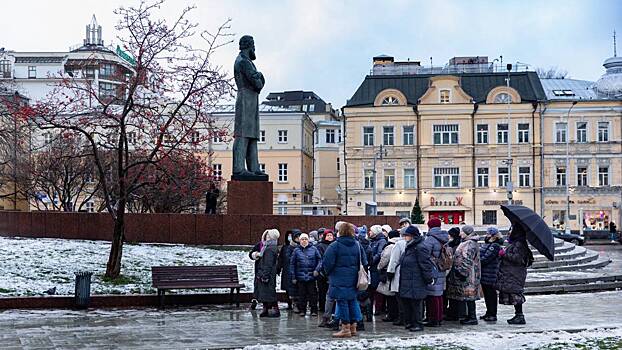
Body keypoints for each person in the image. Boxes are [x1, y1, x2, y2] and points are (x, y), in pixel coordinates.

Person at [323, 222, 368, 338]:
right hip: (354, 279)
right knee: (352, 301)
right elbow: (364, 261)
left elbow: (327, 264)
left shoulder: (334, 246)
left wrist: (328, 274)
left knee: (342, 302)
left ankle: (345, 328)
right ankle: (353, 327)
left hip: (338, 279)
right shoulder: (357, 245)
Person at [398, 225, 434, 332]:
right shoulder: (410, 246)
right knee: (408, 303)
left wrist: (428, 278)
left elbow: (425, 264)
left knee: (416, 304)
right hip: (408, 279)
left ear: (413, 236)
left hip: (416, 280)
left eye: (407, 235)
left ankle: (418, 324)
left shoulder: (420, 247)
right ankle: (410, 322)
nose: (405, 237)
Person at [496, 226, 534, 325]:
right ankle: (518, 315)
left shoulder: (519, 244)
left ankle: (520, 316)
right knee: (514, 293)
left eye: (511, 231)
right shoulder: (514, 243)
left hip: (515, 273)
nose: (509, 232)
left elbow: (518, 259)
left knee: (516, 294)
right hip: (511, 272)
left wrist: (504, 254)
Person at [445, 225, 481, 325]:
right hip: (468, 274)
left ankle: (472, 317)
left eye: (462, 232)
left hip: (468, 275)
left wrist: (462, 272)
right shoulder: (467, 242)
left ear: (467, 233)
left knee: (469, 296)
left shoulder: (469, 244)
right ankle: (470, 316)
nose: (460, 233)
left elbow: (467, 260)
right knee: (468, 296)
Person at [420, 217, 449, 327]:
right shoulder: (444, 237)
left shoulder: (430, 239)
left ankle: (433, 319)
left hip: (433, 269)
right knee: (439, 295)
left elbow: (424, 254)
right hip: (441, 268)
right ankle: (439, 317)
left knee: (432, 296)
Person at [290, 233, 322, 316]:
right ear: (299, 241)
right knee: (302, 295)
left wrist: (317, 270)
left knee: (313, 294)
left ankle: (314, 310)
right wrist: (293, 276)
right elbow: (292, 264)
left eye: (305, 239)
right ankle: (302, 310)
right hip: (300, 277)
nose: (304, 241)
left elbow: (320, 260)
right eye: (302, 239)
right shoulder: (296, 250)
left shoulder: (314, 249)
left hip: (312, 276)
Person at [252, 229, 280, 317]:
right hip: (267, 273)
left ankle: (274, 310)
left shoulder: (269, 249)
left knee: (269, 293)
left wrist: (265, 275)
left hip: (267, 274)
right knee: (266, 292)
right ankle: (266, 310)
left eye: (268, 236)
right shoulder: (270, 247)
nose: (266, 237)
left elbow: (268, 263)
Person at [479, 227, 504, 322]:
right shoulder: (488, 244)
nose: (486, 235)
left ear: (493, 235)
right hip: (485, 273)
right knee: (487, 294)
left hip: (491, 273)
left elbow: (487, 258)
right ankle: (488, 312)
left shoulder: (495, 245)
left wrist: (478, 262)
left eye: (488, 233)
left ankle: (492, 314)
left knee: (491, 295)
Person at [376, 229, 400, 322]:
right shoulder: (402, 243)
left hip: (389, 271)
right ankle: (395, 314)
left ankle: (391, 314)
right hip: (398, 272)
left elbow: (385, 258)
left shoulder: (390, 246)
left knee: (390, 294)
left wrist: (379, 267)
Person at [386, 226, 408, 326]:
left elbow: (394, 260)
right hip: (410, 274)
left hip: (399, 273)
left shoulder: (399, 244)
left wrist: (390, 272)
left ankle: (402, 318)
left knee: (399, 298)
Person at [277, 229, 301, 311]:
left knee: (296, 288)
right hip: (287, 270)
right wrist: (278, 268)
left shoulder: (300, 247)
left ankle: (296, 304)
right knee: (288, 288)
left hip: (297, 271)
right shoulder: (286, 247)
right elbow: (281, 259)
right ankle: (289, 303)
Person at [368, 225, 388, 316]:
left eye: (371, 231)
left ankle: (378, 309)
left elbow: (380, 254)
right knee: (372, 288)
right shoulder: (374, 241)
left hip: (376, 268)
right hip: (372, 268)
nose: (369, 232)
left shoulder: (381, 241)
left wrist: (371, 261)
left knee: (376, 289)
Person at [317, 229, 335, 326]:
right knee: (325, 293)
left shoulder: (335, 245)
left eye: (331, 235)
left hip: (332, 274)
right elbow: (321, 259)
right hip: (323, 273)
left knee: (331, 296)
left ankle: (329, 315)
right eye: (327, 235)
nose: (329, 237)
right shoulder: (320, 246)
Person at [444, 226, 462, 319]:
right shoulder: (451, 244)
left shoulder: (456, 246)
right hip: (452, 273)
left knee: (454, 295)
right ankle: (452, 312)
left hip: (454, 273)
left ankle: (454, 313)